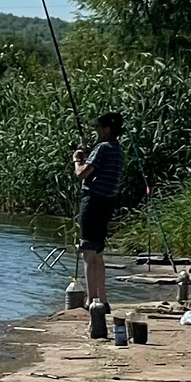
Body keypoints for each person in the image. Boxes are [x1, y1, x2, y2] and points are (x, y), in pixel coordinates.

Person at [72, 111, 125, 306]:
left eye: (99, 128)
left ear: (107, 130)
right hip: (107, 203)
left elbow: (82, 174)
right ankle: (102, 298)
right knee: (98, 251)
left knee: (87, 251)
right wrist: (90, 155)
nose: (97, 131)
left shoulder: (102, 148)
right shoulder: (117, 150)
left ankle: (91, 300)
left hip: (93, 202)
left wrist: (77, 159)